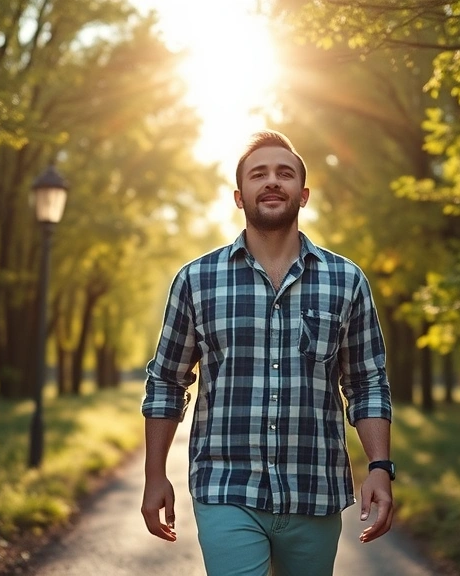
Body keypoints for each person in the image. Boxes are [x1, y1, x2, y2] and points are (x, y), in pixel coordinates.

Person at [140, 129, 395, 576]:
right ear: (240, 197)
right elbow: (166, 380)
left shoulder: (346, 280)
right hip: (226, 488)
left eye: (285, 173)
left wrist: (379, 467)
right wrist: (154, 475)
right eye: (259, 174)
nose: (272, 181)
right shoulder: (196, 280)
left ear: (304, 193)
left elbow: (367, 383)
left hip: (315, 491)